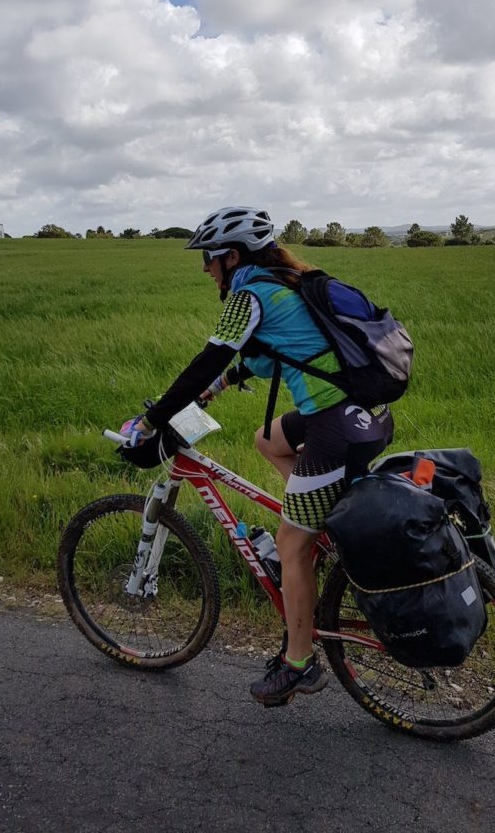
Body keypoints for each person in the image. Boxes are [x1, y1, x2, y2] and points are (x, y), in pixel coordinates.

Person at [131, 206, 394, 706]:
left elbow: (207, 358)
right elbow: (267, 354)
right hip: (365, 414)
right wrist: (217, 389)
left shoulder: (249, 293)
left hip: (334, 427)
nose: (205, 269)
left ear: (232, 256)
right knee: (268, 439)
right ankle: (319, 527)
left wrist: (151, 421)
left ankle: (299, 663)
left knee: (289, 544)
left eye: (208, 259)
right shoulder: (285, 283)